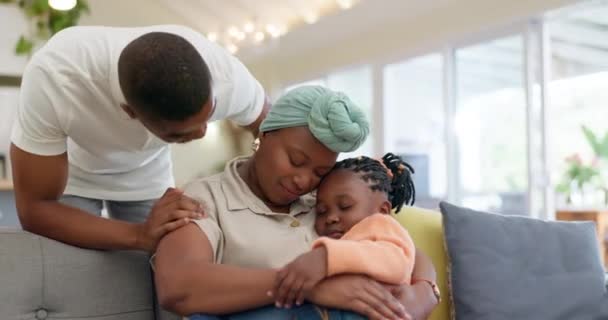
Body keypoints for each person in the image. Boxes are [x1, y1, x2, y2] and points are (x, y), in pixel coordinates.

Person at [153, 86, 439, 320]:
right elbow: (178, 285)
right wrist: (309, 286)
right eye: (296, 161)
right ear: (264, 133)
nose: (303, 181)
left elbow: (396, 242)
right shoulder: (204, 198)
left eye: (319, 172)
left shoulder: (326, 200)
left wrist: (425, 293)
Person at [10, 25, 269, 252]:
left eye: (208, 116)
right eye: (178, 134)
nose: (201, 134)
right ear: (129, 112)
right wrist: (138, 235)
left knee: (158, 263)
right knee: (76, 269)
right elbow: (36, 209)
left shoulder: (227, 76)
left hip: (148, 175)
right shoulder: (55, 77)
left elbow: (277, 130)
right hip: (73, 175)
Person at [271, 153, 418, 310]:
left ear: (382, 210)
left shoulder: (381, 224)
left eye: (345, 206)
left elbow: (396, 263)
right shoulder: (335, 238)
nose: (331, 218)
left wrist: (326, 257)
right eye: (321, 211)